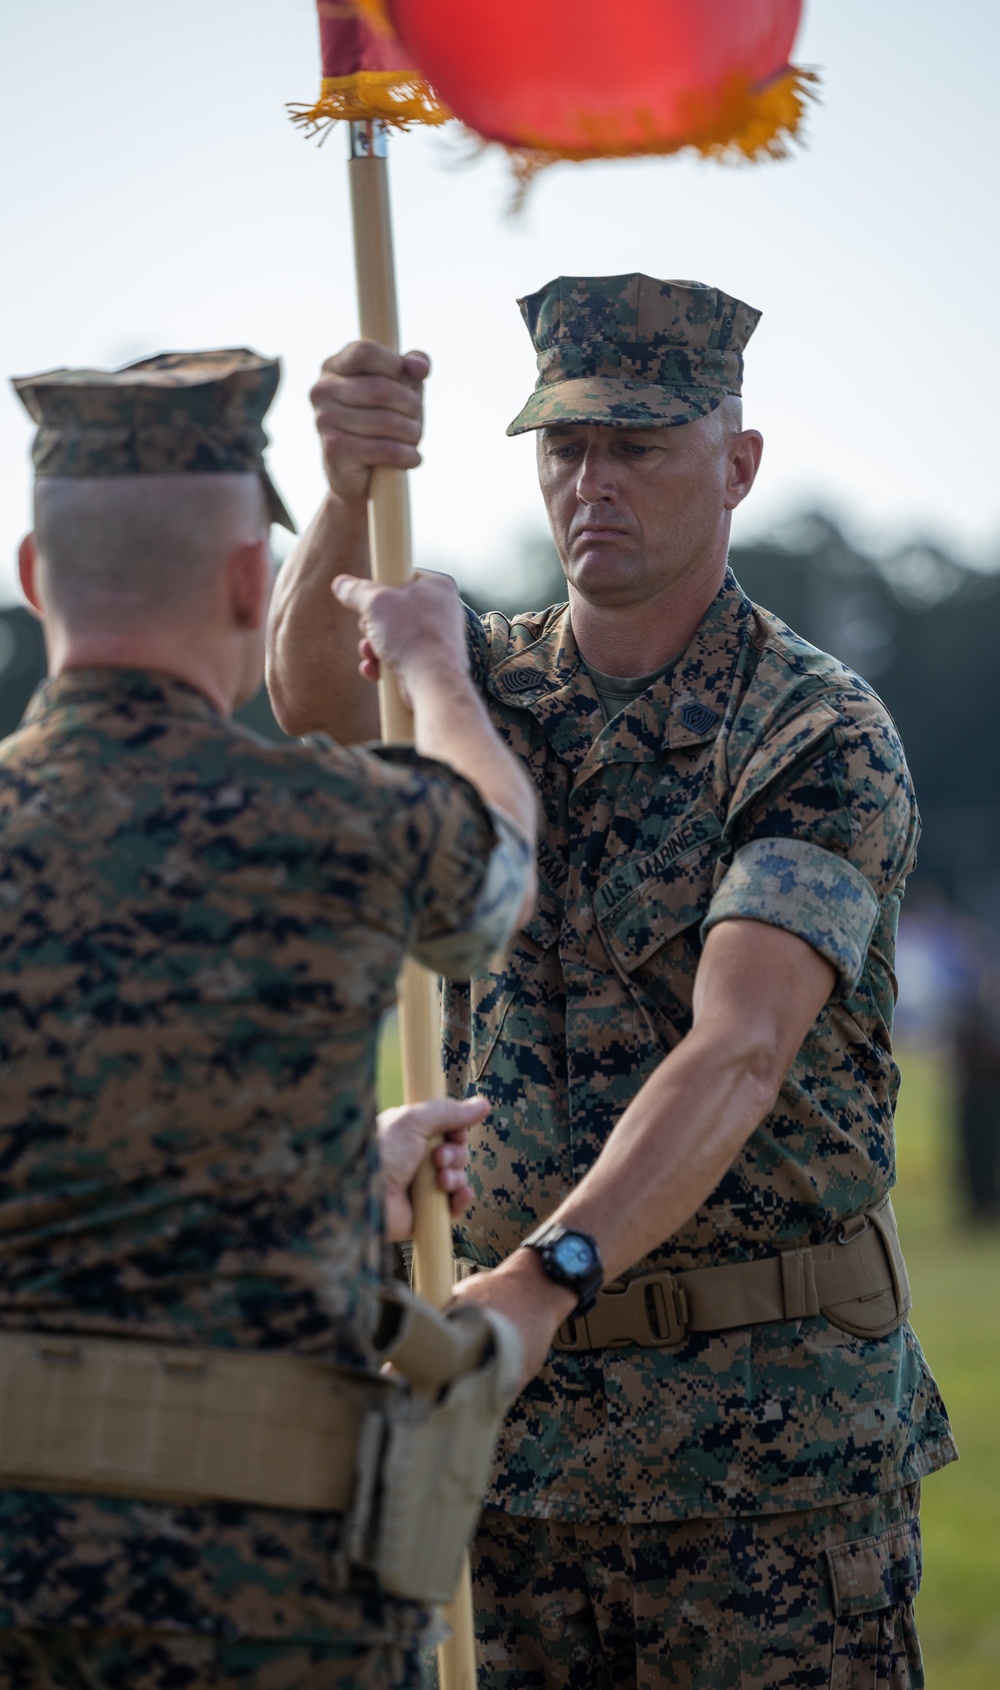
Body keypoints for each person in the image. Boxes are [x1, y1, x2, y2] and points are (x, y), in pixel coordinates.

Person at [267, 276, 957, 1690]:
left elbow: (742, 1046)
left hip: (765, 1455)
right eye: (565, 445)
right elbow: (314, 708)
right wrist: (345, 490)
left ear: (738, 466)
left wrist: (545, 1273)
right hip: (526, 1452)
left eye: (639, 445)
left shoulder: (813, 727)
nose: (594, 481)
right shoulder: (487, 686)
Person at [0, 348, 538, 1690]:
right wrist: (432, 672)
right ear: (253, 579)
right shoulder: (330, 821)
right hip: (266, 1598)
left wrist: (337, 1167)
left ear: (29, 575)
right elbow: (499, 870)